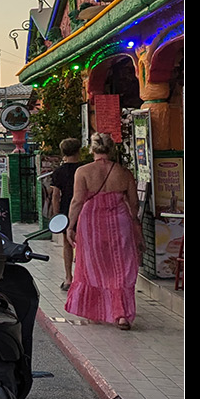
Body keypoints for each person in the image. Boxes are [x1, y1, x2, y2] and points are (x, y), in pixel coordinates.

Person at [65, 132, 142, 330]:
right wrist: (133, 222)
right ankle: (121, 315)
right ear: (112, 149)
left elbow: (77, 201)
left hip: (91, 223)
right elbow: (134, 204)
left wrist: (70, 226)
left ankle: (96, 311)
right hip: (120, 223)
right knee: (121, 267)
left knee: (92, 266)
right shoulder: (124, 173)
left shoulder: (83, 171)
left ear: (92, 149)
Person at [48, 137, 83, 291]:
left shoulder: (58, 172)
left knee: (67, 244)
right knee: (84, 243)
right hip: (84, 208)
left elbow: (55, 196)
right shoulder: (85, 169)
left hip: (66, 210)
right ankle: (83, 276)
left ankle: (69, 277)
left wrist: (57, 216)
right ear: (78, 151)